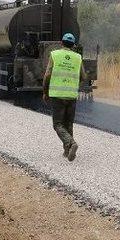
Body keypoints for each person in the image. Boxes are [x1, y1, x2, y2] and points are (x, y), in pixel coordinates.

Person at [42, 33, 87, 162]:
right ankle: (67, 151)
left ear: (61, 43)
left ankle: (71, 144)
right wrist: (74, 86)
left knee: (57, 124)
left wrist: (45, 92)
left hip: (57, 95)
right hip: (71, 95)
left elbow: (47, 75)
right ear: (73, 45)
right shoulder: (78, 57)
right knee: (69, 123)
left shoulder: (55, 54)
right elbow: (84, 77)